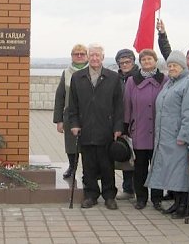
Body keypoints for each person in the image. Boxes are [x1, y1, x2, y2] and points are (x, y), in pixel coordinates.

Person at [67, 43, 124, 210]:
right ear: (87, 56)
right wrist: (75, 124)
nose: (94, 58)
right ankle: (91, 195)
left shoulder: (113, 77)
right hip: (85, 129)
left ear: (103, 57)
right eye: (91, 55)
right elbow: (73, 105)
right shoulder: (77, 77)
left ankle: (109, 196)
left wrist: (118, 127)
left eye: (97, 55)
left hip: (106, 129)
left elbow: (119, 105)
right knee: (88, 165)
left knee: (107, 165)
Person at [145, 50, 189, 219]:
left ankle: (183, 205)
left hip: (178, 138)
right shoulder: (170, 83)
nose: (172, 68)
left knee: (181, 172)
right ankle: (176, 203)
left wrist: (184, 135)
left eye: (175, 65)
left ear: (182, 66)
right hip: (165, 136)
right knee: (172, 172)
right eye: (169, 65)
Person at [123, 49, 168, 210]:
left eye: (150, 59)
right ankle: (141, 198)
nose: (147, 62)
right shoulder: (131, 81)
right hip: (139, 131)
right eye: (144, 59)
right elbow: (127, 105)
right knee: (140, 167)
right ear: (140, 62)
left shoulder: (165, 80)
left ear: (155, 61)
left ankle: (157, 198)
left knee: (157, 166)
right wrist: (126, 127)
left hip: (158, 131)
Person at [53, 44, 88, 179]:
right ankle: (72, 168)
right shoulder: (66, 72)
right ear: (72, 56)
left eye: (82, 53)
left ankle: (87, 172)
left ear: (87, 56)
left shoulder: (92, 70)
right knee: (71, 145)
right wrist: (59, 120)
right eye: (76, 54)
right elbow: (60, 96)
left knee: (87, 146)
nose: (79, 56)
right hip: (70, 115)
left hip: (88, 115)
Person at [114, 48, 139, 201]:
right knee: (125, 155)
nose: (124, 64)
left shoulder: (139, 77)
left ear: (133, 61)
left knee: (139, 159)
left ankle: (139, 189)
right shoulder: (116, 78)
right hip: (121, 122)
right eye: (121, 62)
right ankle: (128, 189)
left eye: (127, 61)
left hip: (138, 123)